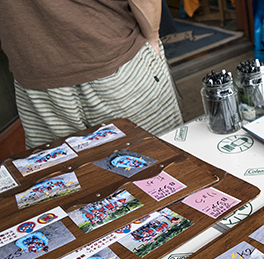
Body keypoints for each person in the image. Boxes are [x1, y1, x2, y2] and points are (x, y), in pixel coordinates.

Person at [0, 0, 183, 149]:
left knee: (65, 177)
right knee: (161, 163)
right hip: (116, 66)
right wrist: (152, 38)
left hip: (36, 77)